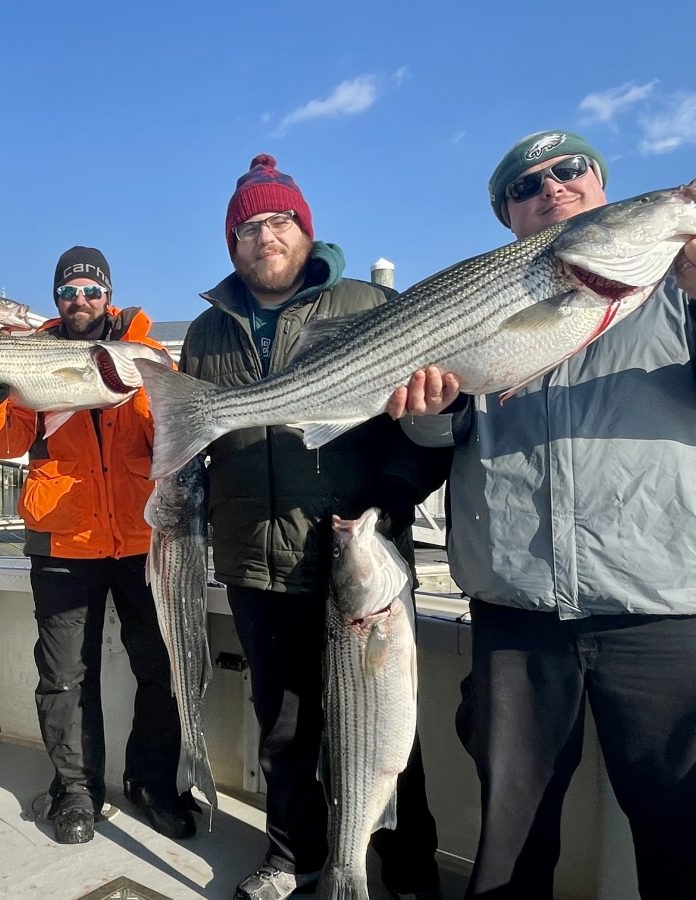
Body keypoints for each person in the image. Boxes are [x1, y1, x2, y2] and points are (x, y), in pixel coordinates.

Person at [388, 130, 696, 899]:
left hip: (660, 613)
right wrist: (422, 412)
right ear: (509, 217)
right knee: (512, 839)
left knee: (682, 828)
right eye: (527, 187)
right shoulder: (480, 302)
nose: (552, 187)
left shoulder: (678, 291)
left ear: (601, 189)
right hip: (517, 614)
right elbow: (439, 434)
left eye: (570, 171)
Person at [180, 154, 449, 900]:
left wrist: (388, 507)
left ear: (305, 229)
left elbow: (415, 431)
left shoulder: (367, 301)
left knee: (390, 730)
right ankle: (291, 857)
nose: (264, 236)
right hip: (255, 561)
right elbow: (190, 446)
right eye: (248, 227)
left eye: (278, 221)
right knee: (285, 728)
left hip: (354, 558)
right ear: (231, 243)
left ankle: (407, 869)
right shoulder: (205, 331)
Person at [0, 246, 195, 845]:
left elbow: (173, 432)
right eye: (69, 291)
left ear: (108, 295)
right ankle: (76, 790)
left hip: (144, 536)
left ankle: (153, 783)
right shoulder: (28, 353)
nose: (80, 300)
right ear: (56, 299)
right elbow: (10, 439)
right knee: (64, 675)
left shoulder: (149, 353)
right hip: (62, 537)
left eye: (91, 290)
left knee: (161, 669)